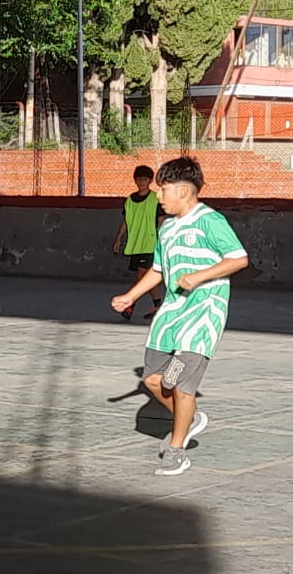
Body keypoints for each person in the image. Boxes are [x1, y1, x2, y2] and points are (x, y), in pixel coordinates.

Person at [110, 156, 249, 477]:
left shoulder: (210, 220)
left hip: (204, 310)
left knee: (181, 384)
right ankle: (190, 418)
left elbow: (239, 258)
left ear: (184, 190)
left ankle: (176, 450)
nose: (158, 196)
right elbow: (158, 269)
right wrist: (131, 295)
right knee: (152, 380)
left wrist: (200, 276)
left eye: (163, 189)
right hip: (171, 311)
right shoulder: (168, 226)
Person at [112, 165, 166, 321]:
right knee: (144, 276)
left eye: (145, 179)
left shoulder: (155, 199)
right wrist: (119, 238)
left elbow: (161, 221)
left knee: (142, 274)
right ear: (135, 180)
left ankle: (130, 305)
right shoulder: (130, 200)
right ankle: (158, 304)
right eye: (139, 179)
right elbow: (126, 221)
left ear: (150, 181)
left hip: (150, 243)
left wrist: (162, 240)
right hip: (135, 244)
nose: (141, 182)